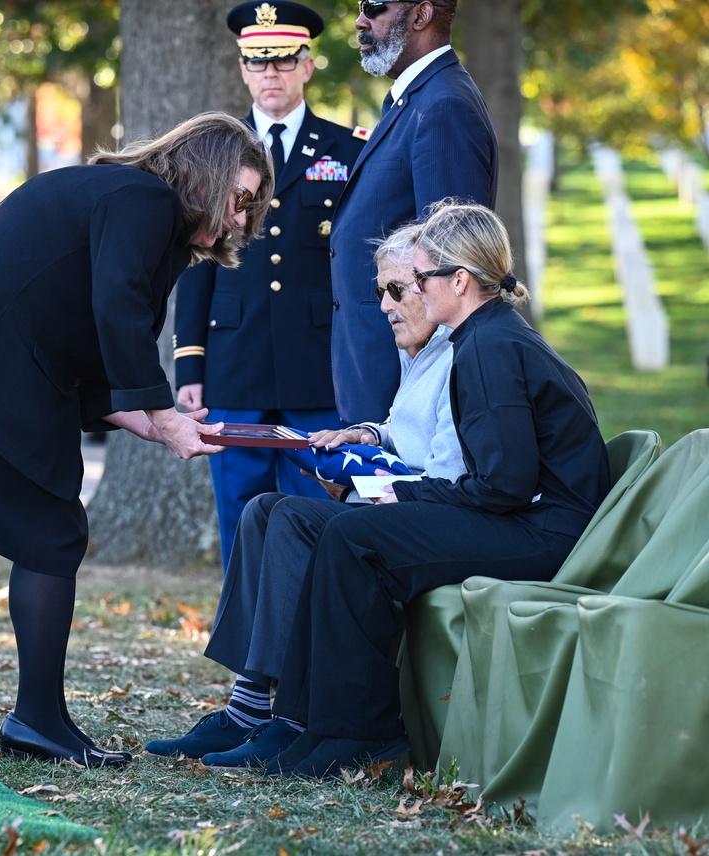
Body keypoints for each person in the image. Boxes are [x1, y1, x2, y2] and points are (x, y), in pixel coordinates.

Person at [0, 112, 274, 768]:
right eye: (242, 197)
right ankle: (37, 721)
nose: (247, 217)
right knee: (52, 535)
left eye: (258, 204)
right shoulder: (143, 202)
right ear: (208, 175)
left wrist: (151, 422)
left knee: (51, 534)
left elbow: (94, 340)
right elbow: (113, 312)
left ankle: (39, 719)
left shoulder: (146, 222)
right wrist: (164, 411)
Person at [220, 201, 611, 778]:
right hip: (528, 519)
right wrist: (401, 492)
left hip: (546, 534)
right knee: (350, 531)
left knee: (356, 537)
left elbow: (503, 485)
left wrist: (404, 496)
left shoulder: (490, 348)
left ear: (460, 280)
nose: (413, 293)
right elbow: (497, 481)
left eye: (422, 279)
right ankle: (308, 726)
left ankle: (357, 732)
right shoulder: (485, 337)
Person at [146, 223, 465, 764]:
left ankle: (290, 717)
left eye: (394, 290)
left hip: (423, 520)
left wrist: (362, 483)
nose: (382, 306)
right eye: (380, 291)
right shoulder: (422, 348)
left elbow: (448, 475)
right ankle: (249, 707)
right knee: (262, 510)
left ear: (439, 285)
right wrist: (366, 436)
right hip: (395, 504)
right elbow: (404, 428)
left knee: (290, 515)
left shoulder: (463, 354)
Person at [173, 0, 367, 569]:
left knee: (319, 510)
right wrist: (190, 367)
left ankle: (310, 638)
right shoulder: (214, 156)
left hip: (319, 367)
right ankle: (248, 650)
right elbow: (196, 260)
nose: (270, 75)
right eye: (258, 63)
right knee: (240, 510)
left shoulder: (348, 150)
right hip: (235, 364)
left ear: (308, 66)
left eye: (283, 62)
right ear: (242, 70)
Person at [330, 0, 498, 426]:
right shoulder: (414, 100)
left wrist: (423, 393)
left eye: (374, 7)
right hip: (380, 367)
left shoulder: (443, 106)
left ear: (421, 16)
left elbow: (453, 268)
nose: (360, 20)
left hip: (405, 380)